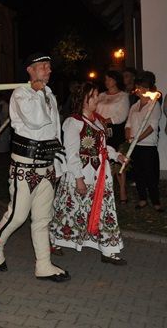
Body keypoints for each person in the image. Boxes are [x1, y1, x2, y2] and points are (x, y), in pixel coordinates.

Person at [0, 52, 69, 283]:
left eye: (49, 67)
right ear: (30, 70)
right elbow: (35, 119)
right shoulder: (21, 94)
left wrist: (58, 166)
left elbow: (54, 132)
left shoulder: (49, 94)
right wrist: (38, 92)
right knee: (18, 215)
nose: (48, 70)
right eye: (44, 66)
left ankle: (43, 265)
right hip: (25, 166)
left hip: (47, 165)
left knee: (43, 218)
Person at [51, 82, 128, 264]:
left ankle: (109, 250)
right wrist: (78, 179)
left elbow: (102, 148)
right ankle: (55, 239)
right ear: (82, 99)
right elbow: (71, 153)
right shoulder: (73, 123)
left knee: (104, 210)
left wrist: (117, 155)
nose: (97, 99)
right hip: (80, 173)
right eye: (92, 96)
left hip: (101, 174)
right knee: (69, 210)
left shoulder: (98, 121)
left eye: (96, 95)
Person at [125, 71, 163, 212]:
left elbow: (152, 126)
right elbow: (128, 124)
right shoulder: (134, 106)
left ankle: (156, 201)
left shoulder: (154, 104)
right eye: (138, 87)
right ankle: (142, 199)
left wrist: (137, 138)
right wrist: (129, 137)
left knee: (150, 175)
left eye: (141, 87)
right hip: (134, 146)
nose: (138, 89)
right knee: (138, 174)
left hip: (147, 145)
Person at [96, 70, 130, 204]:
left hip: (115, 130)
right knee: (103, 158)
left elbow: (122, 115)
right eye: (105, 79)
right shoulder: (101, 95)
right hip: (100, 128)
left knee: (117, 159)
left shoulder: (123, 96)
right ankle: (105, 189)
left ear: (115, 80)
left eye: (109, 79)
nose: (106, 81)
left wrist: (107, 120)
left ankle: (122, 190)